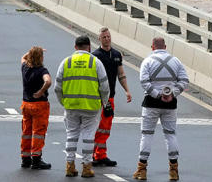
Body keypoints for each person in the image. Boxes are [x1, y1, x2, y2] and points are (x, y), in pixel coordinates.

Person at [134, 37, 189, 181]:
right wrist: (172, 94)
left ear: (152, 47)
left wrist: (158, 95)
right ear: (165, 46)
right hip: (170, 104)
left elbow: (144, 82)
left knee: (147, 135)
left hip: (151, 103)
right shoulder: (176, 61)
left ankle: (142, 170)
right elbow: (184, 80)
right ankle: (174, 171)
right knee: (170, 135)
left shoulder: (147, 61)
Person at [55, 35, 110, 178]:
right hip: (91, 107)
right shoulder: (95, 62)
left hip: (71, 106)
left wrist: (64, 102)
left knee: (71, 135)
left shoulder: (66, 62)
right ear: (89, 47)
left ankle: (70, 165)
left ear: (75, 47)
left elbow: (57, 87)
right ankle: (86, 167)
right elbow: (104, 87)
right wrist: (104, 102)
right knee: (88, 136)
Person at [92, 27, 133, 167]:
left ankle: (100, 154)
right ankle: (96, 154)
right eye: (104, 37)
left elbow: (121, 74)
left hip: (111, 97)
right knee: (98, 126)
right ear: (99, 39)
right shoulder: (95, 55)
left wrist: (127, 90)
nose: (107, 39)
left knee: (106, 127)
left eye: (108, 36)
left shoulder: (116, 54)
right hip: (98, 98)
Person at [21, 46, 52, 170]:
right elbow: (48, 81)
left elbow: (23, 58)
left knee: (26, 132)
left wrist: (31, 52)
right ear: (40, 57)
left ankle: (25, 158)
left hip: (26, 104)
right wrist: (41, 91)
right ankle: (36, 159)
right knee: (38, 133)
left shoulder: (25, 68)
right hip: (39, 106)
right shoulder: (42, 70)